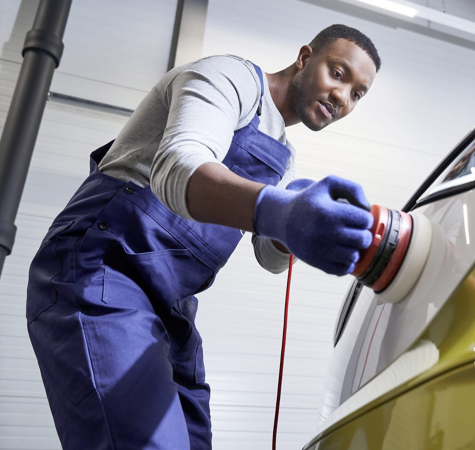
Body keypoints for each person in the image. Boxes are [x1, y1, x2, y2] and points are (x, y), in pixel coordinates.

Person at [25, 24, 380, 449]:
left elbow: (268, 254)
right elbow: (177, 167)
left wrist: (293, 231)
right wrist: (281, 212)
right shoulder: (230, 78)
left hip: (169, 304)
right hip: (105, 265)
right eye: (338, 74)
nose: (342, 97)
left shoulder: (283, 151)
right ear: (305, 57)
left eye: (357, 93)